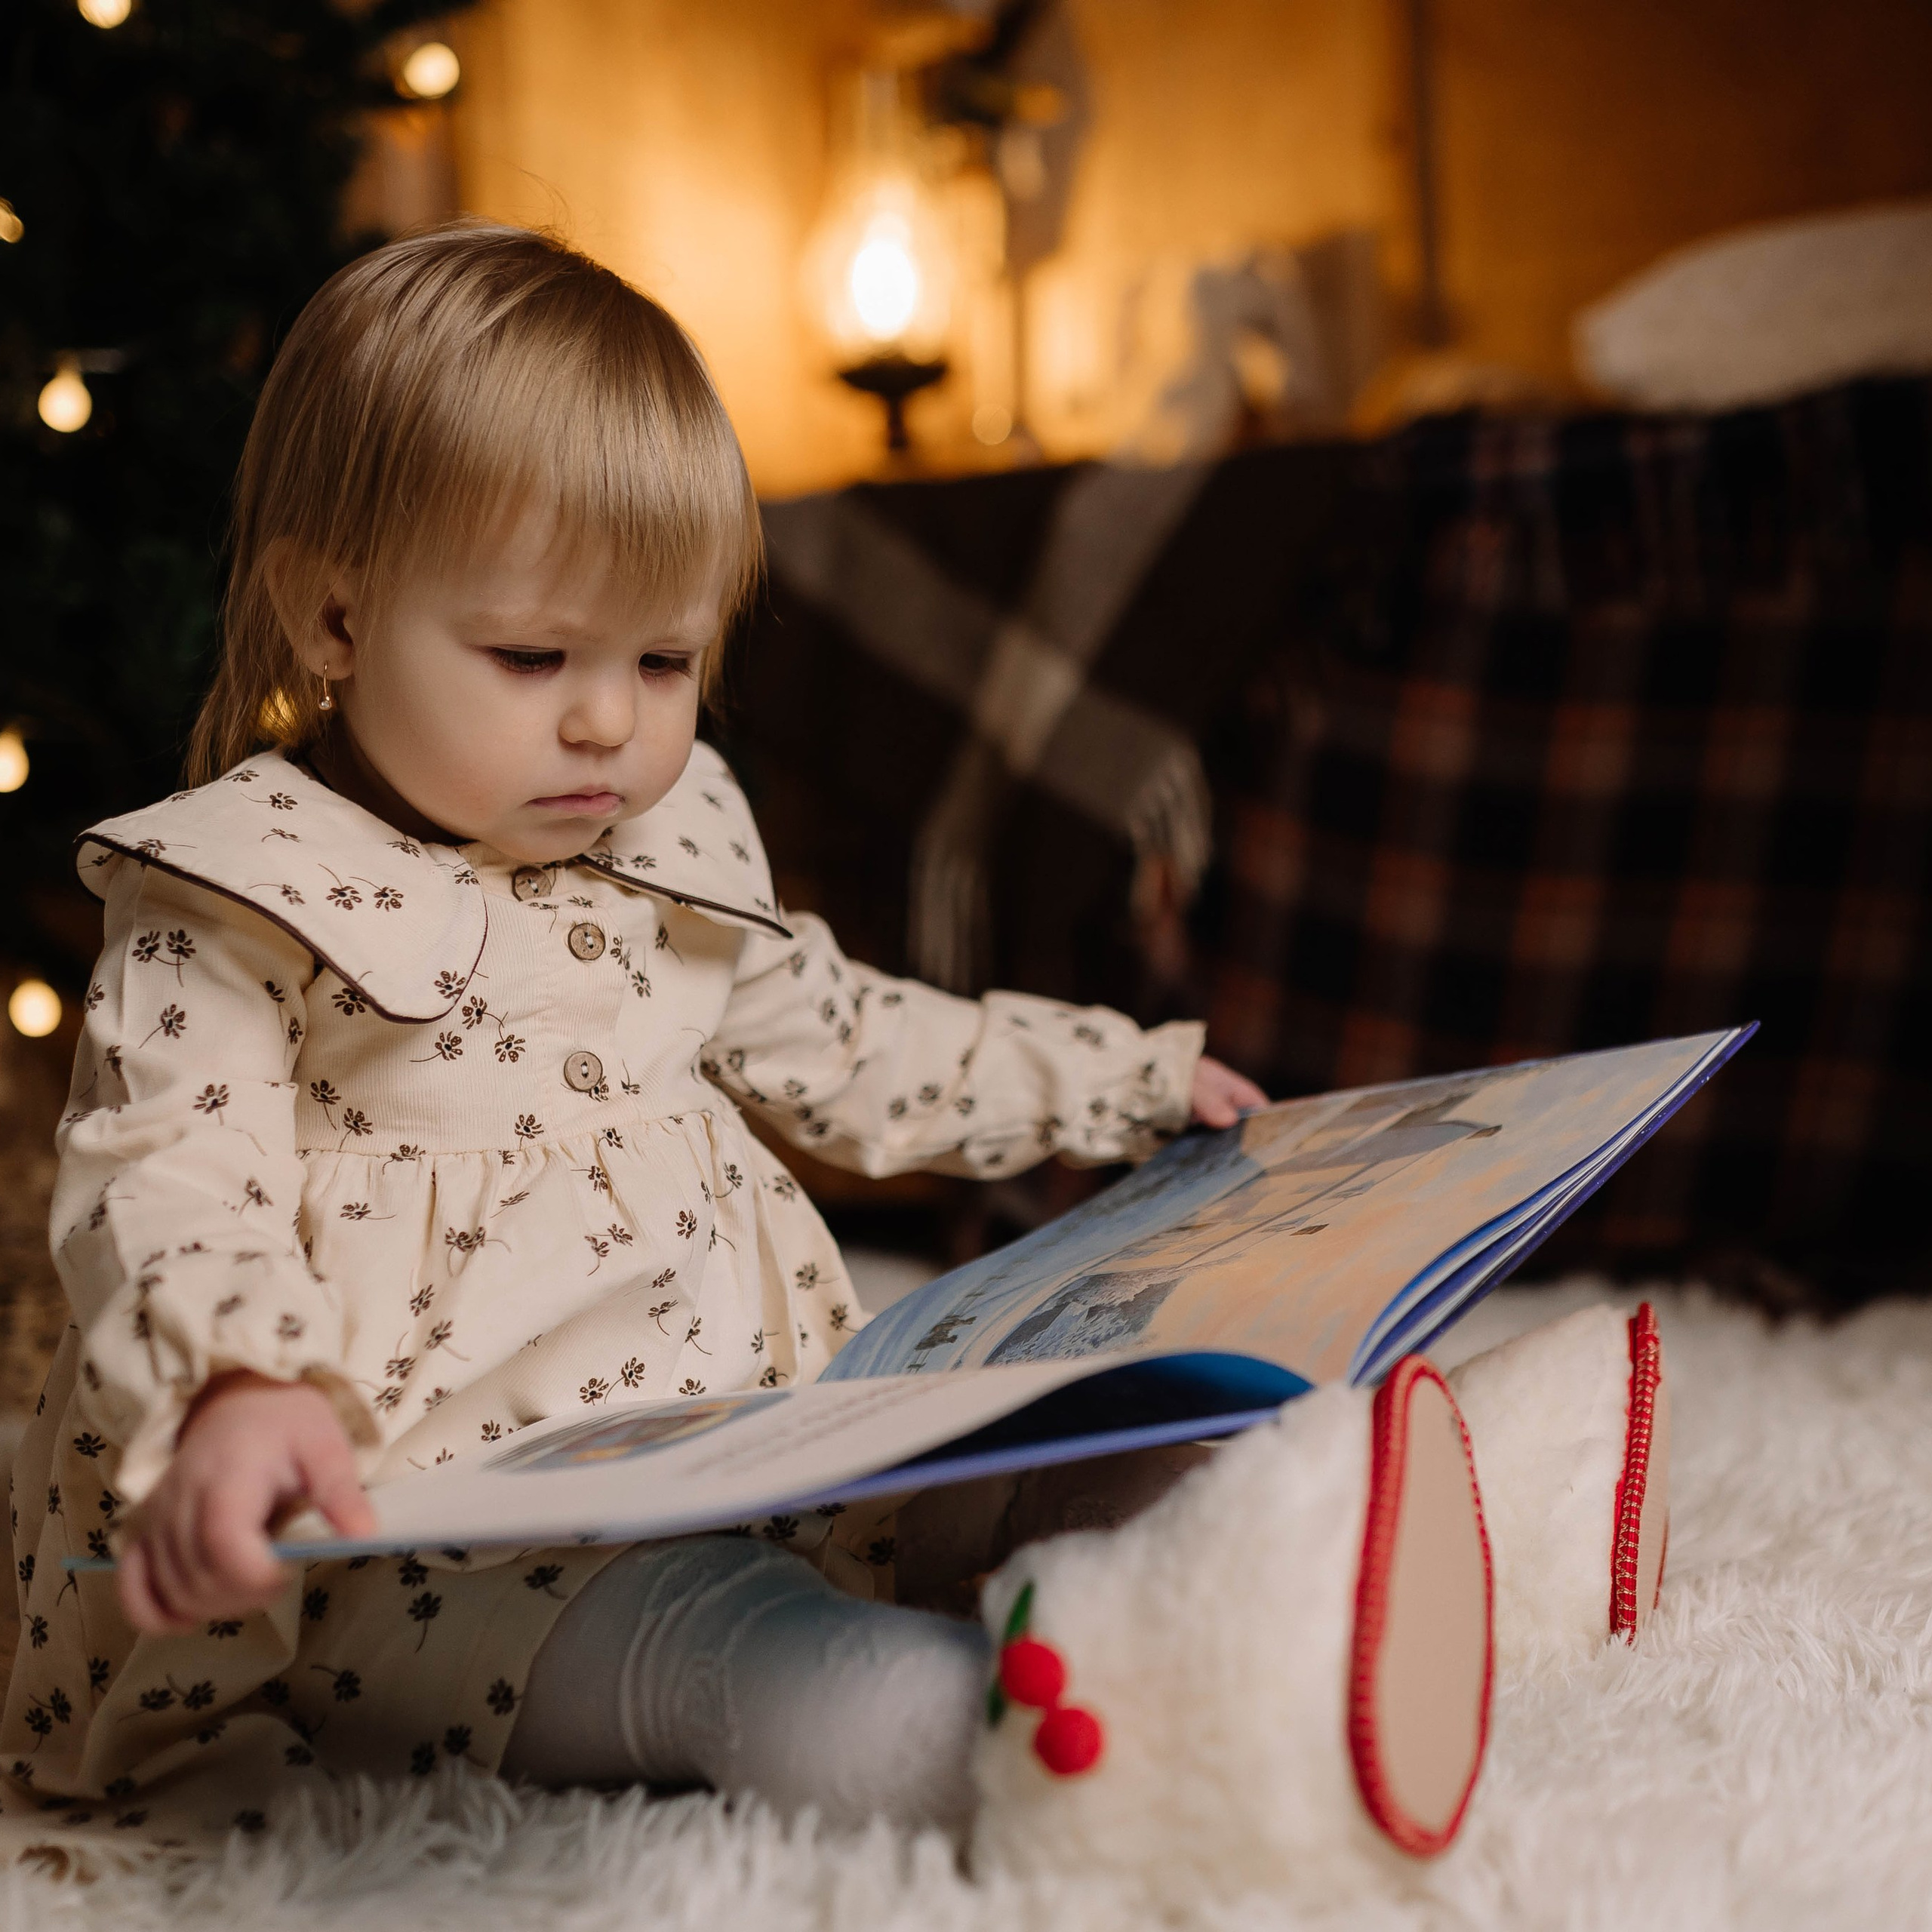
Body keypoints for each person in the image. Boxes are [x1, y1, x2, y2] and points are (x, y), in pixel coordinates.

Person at [0, 223, 1269, 1844]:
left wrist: (1117, 1077)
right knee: (728, 1653)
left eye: (665, 657)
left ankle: (1251, 1601)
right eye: (533, 656)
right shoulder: (240, 891)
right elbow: (166, 1174)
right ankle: (999, 1755)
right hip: (432, 1530)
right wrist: (243, 1383)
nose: (610, 718)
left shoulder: (669, 837)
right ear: (331, 617)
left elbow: (851, 1037)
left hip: (749, 1430)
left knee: (1083, 1438)